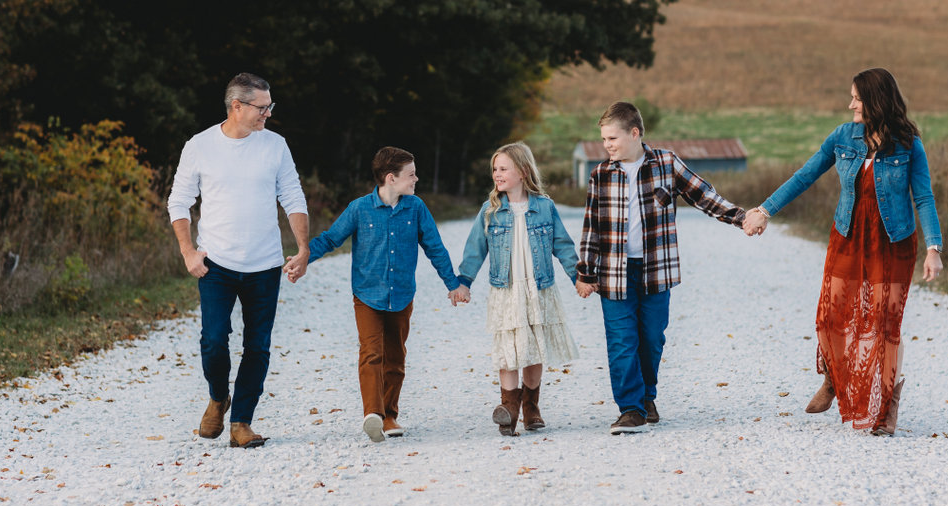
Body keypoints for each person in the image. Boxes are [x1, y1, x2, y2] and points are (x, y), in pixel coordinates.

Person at [743, 68, 943, 436]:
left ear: (876, 100)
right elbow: (805, 175)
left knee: (884, 327)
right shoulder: (842, 136)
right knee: (831, 318)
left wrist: (933, 248)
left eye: (857, 97)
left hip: (893, 242)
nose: (851, 103)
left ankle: (886, 408)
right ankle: (835, 379)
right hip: (849, 237)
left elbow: (924, 197)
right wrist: (765, 210)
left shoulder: (909, 144)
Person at [576, 102, 747, 434]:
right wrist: (585, 272)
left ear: (635, 133)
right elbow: (591, 227)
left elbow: (705, 196)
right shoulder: (601, 174)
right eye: (604, 139)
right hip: (614, 271)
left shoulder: (666, 164)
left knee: (652, 339)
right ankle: (630, 408)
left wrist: (741, 218)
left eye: (612, 138)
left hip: (656, 270)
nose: (606, 145)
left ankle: (646, 397)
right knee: (621, 341)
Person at [168, 72, 309, 449]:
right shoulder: (200, 146)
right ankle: (218, 397)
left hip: (264, 265)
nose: (268, 114)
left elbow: (293, 197)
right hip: (216, 264)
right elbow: (179, 202)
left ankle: (241, 421)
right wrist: (187, 252)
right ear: (236, 106)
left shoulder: (275, 146)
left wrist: (303, 248)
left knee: (258, 346)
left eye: (269, 107)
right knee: (214, 341)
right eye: (262, 108)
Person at [297, 147, 469, 443]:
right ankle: (373, 414)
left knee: (396, 358)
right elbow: (330, 239)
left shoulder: (416, 208)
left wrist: (452, 284)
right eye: (411, 174)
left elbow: (435, 248)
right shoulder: (359, 209)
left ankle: (390, 415)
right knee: (371, 352)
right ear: (391, 178)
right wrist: (303, 259)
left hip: (402, 295)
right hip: (367, 295)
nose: (416, 179)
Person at [458, 142, 580, 436]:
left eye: (503, 169)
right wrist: (463, 281)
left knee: (535, 349)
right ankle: (509, 409)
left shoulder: (545, 207)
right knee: (507, 350)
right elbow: (475, 248)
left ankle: (531, 407)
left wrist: (578, 276)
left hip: (538, 290)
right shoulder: (491, 210)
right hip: (506, 291)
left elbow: (562, 245)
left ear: (523, 172)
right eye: (495, 169)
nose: (497, 174)